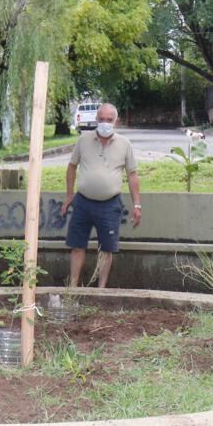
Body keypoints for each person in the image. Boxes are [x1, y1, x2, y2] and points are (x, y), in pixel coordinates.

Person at [60, 103, 141, 288]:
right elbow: (72, 166)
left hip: (110, 204)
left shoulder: (124, 144)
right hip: (82, 202)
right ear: (96, 119)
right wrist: (69, 194)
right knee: (77, 245)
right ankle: (73, 287)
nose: (105, 123)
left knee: (106, 248)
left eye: (109, 120)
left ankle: (101, 289)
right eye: (101, 119)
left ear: (116, 121)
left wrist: (137, 205)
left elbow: (132, 175)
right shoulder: (84, 140)